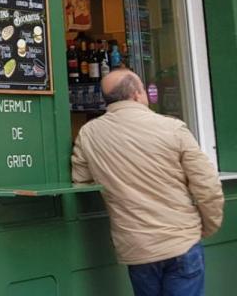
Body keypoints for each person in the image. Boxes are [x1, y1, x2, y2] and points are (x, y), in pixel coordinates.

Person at [72, 69, 223, 296]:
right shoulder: (172, 128)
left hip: (137, 248)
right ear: (136, 94)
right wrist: (208, 226)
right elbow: (207, 186)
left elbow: (81, 182)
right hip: (181, 242)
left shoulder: (88, 134)